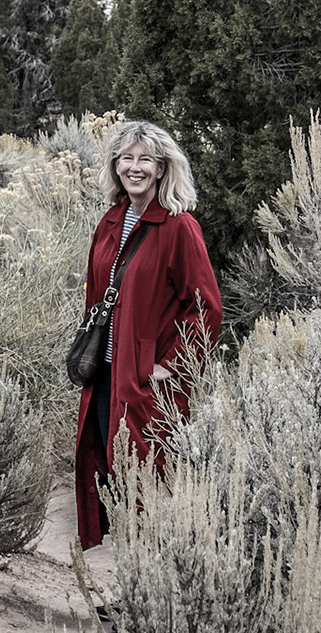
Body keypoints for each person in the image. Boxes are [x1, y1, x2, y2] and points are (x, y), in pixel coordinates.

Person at [75, 120, 223, 552]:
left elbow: (206, 308)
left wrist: (171, 366)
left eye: (145, 160)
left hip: (145, 382)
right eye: (126, 158)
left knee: (146, 480)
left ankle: (151, 577)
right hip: (104, 374)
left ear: (161, 168)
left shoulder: (179, 227)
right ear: (115, 165)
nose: (134, 167)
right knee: (108, 470)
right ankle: (126, 574)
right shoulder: (110, 221)